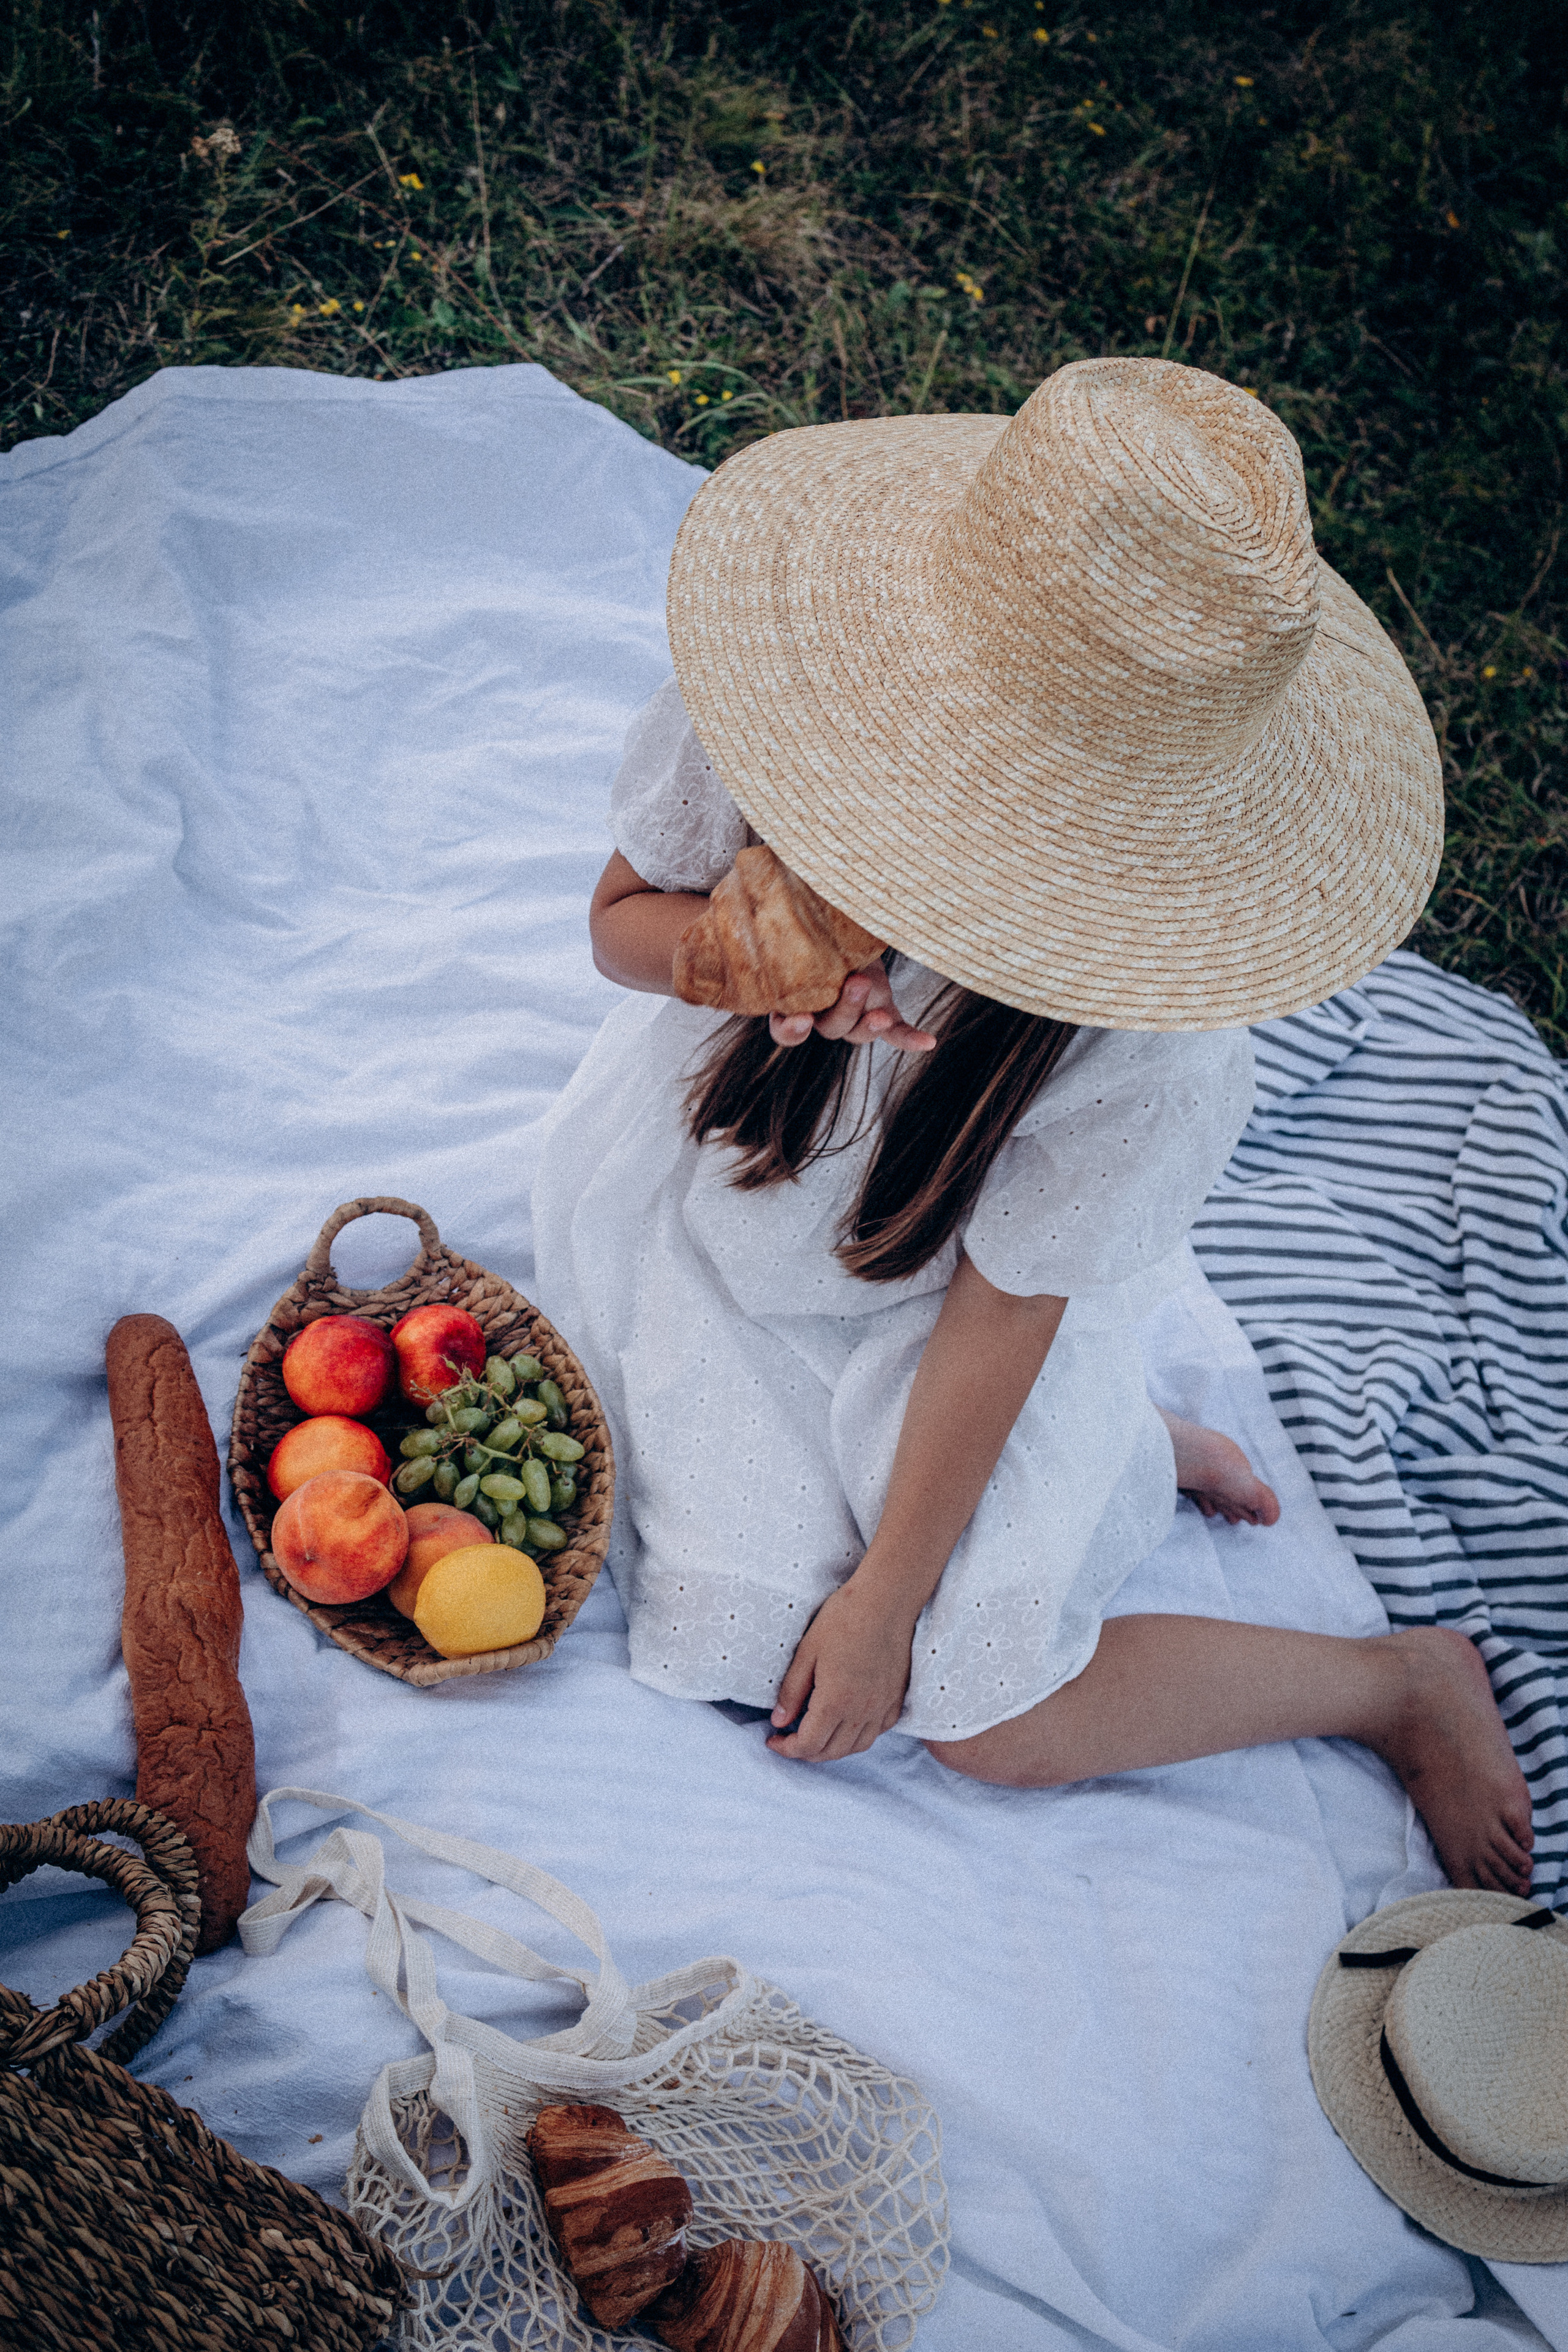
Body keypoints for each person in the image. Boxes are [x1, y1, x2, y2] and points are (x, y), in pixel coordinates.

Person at [532, 356, 1534, 1898]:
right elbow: (615, 925)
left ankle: (1396, 1680)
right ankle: (1126, 1459)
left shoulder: (1154, 1034)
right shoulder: (777, 712)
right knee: (724, 1625)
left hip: (940, 1315)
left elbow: (1006, 1304)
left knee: (979, 1711)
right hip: (723, 1209)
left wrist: (888, 1599)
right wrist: (734, 951)